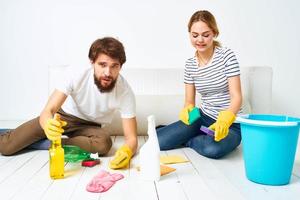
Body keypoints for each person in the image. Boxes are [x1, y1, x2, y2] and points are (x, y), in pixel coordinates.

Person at [0, 37, 137, 169]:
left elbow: (131, 139)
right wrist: (48, 125)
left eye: (114, 66)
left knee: (104, 144)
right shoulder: (76, 73)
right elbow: (48, 111)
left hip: (90, 127)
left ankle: (44, 143)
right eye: (102, 65)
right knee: (6, 147)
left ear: (120, 67)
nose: (108, 72)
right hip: (62, 118)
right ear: (92, 62)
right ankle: (11, 134)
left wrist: (127, 151)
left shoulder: (125, 92)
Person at [157, 10, 242, 159]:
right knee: (158, 140)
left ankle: (188, 139)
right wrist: (188, 109)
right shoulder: (190, 65)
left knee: (213, 149)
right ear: (189, 34)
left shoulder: (227, 56)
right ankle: (192, 134)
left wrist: (226, 118)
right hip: (202, 116)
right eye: (195, 35)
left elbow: (237, 97)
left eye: (206, 34)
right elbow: (189, 101)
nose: (200, 40)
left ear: (214, 33)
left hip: (231, 123)